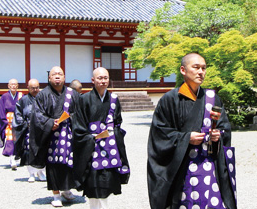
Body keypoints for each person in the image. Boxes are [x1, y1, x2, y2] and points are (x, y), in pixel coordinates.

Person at [147, 53, 237, 209]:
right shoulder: (169, 99)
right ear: (183, 70)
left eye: (203, 68)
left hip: (209, 164)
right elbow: (159, 134)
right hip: (182, 167)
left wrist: (218, 135)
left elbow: (224, 128)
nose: (201, 72)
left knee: (213, 202)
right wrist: (186, 138)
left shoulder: (212, 98)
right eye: (196, 67)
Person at [73, 67, 130, 209]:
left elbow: (118, 121)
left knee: (106, 183)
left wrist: (113, 132)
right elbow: (78, 125)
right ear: (93, 80)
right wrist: (90, 138)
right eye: (100, 78)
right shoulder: (84, 99)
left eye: (106, 78)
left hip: (109, 147)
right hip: (91, 148)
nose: (103, 81)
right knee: (92, 185)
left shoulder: (113, 99)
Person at [29, 66, 80, 207]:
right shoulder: (42, 95)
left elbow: (80, 114)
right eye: (54, 74)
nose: (57, 76)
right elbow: (37, 116)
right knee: (53, 165)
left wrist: (70, 119)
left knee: (69, 163)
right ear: (49, 78)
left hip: (68, 134)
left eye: (60, 74)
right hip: (50, 136)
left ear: (64, 77)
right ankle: (56, 194)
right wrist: (50, 122)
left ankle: (67, 189)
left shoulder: (73, 94)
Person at [12, 78, 46, 183]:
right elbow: (18, 115)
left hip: (42, 129)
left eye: (37, 88)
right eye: (32, 88)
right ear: (28, 88)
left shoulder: (44, 98)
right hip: (28, 130)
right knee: (29, 152)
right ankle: (31, 173)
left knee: (42, 151)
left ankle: (40, 172)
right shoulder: (23, 100)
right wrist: (25, 124)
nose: (35, 90)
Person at [0, 78, 23, 170]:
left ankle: (17, 157)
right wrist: (5, 121)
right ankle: (12, 158)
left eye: (15, 84)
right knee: (10, 139)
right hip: (9, 121)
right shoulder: (4, 97)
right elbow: (1, 111)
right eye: (12, 84)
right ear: (8, 86)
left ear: (17, 86)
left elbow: (24, 108)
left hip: (19, 121)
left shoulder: (21, 96)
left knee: (18, 139)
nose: (13, 86)